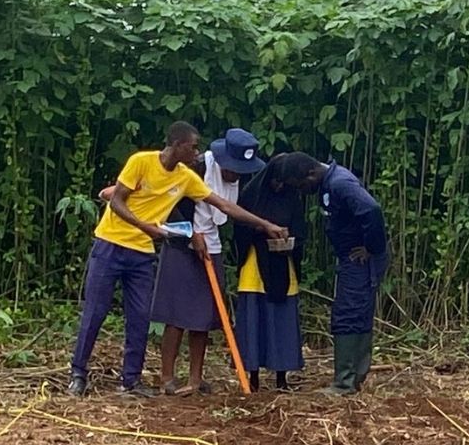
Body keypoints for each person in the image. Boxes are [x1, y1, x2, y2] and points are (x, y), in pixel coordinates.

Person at [67, 122, 287, 398]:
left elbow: (224, 205)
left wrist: (264, 224)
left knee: (139, 318)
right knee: (95, 312)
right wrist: (146, 226)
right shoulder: (141, 162)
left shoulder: (185, 177)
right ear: (177, 144)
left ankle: (131, 380)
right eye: (192, 147)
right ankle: (78, 373)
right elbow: (117, 201)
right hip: (110, 244)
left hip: (142, 254)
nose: (197, 152)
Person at [154, 128, 265, 396]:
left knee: (202, 315)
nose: (234, 174)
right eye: (232, 168)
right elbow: (169, 204)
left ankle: (196, 377)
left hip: (211, 247)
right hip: (182, 244)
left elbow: (227, 210)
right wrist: (192, 234)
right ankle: (167, 377)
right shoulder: (197, 166)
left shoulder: (236, 178)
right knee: (176, 313)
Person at [278, 152, 388, 396]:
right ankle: (354, 377)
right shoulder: (330, 182)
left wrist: (372, 247)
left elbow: (371, 209)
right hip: (351, 258)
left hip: (359, 259)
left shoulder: (340, 184)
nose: (302, 191)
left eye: (301, 186)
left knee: (349, 313)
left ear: (311, 174)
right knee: (355, 311)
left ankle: (345, 383)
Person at [232, 154, 307, 392]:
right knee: (256, 319)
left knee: (281, 320)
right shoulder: (251, 195)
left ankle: (281, 377)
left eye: (284, 183)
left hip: (283, 264)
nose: (279, 186)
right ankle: (252, 376)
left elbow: (300, 228)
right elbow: (240, 227)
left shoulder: (292, 198)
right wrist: (261, 230)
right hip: (255, 263)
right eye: (276, 181)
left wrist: (289, 238)